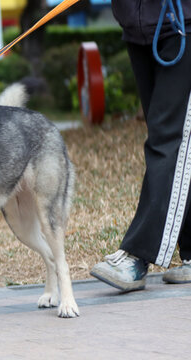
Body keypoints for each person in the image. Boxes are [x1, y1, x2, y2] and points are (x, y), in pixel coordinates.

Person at [90, 0, 191, 291]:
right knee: (173, 139)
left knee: (168, 139)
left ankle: (138, 254)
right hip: (138, 28)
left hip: (183, 23)